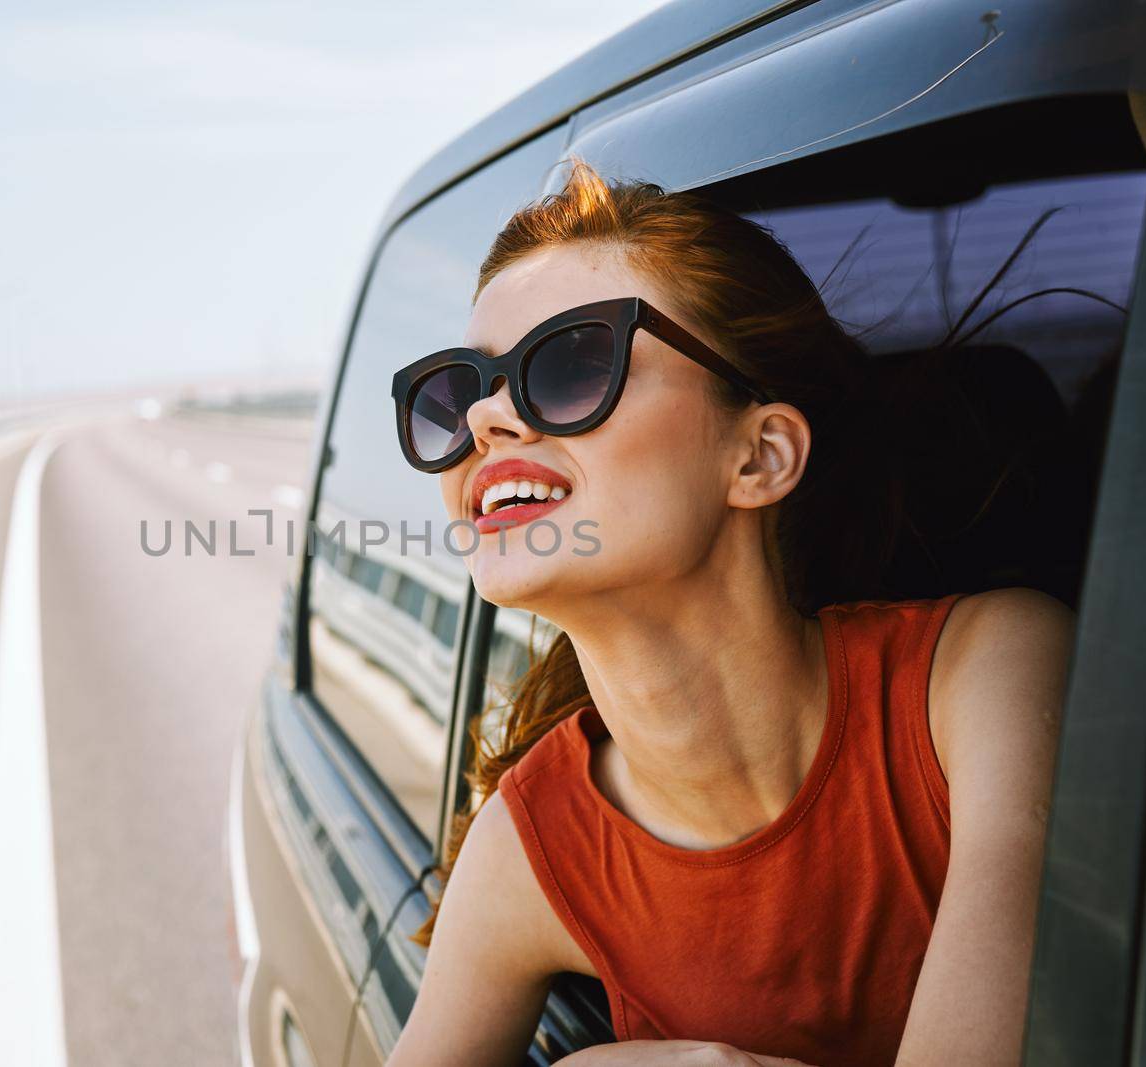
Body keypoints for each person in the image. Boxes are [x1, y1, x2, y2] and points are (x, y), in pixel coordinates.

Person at [383, 157, 1076, 1066]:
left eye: (571, 364)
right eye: (458, 390)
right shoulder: (532, 842)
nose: (485, 420)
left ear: (760, 456)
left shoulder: (990, 676)